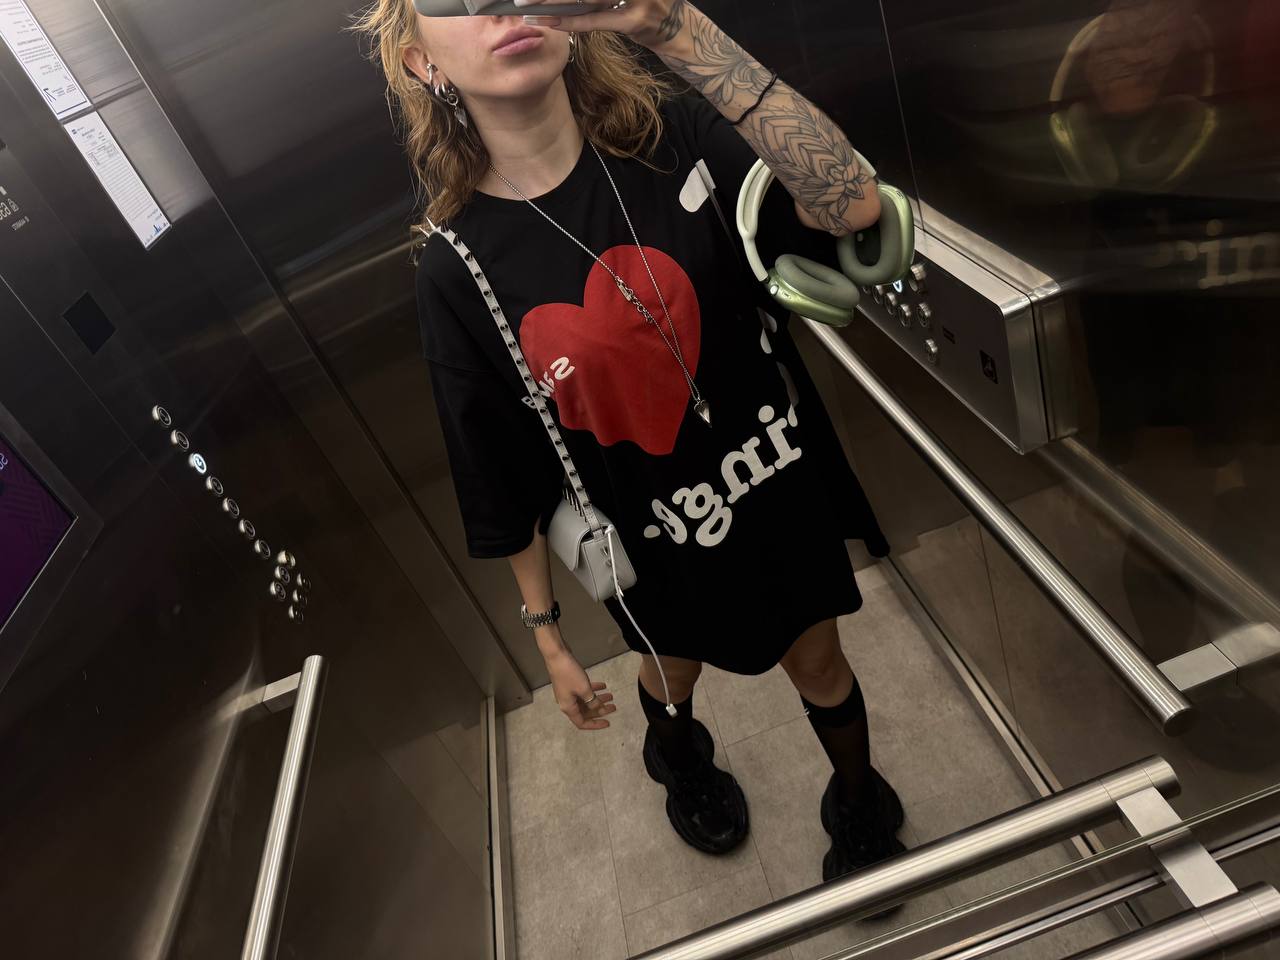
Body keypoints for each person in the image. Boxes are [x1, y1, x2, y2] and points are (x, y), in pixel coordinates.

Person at [356, 0, 905, 881]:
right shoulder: (457, 269)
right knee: (671, 672)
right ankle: (680, 761)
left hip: (776, 483)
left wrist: (675, 25)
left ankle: (859, 799)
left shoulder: (675, 138)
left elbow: (851, 204)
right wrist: (548, 638)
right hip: (656, 543)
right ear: (425, 64)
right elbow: (498, 473)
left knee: (819, 658)